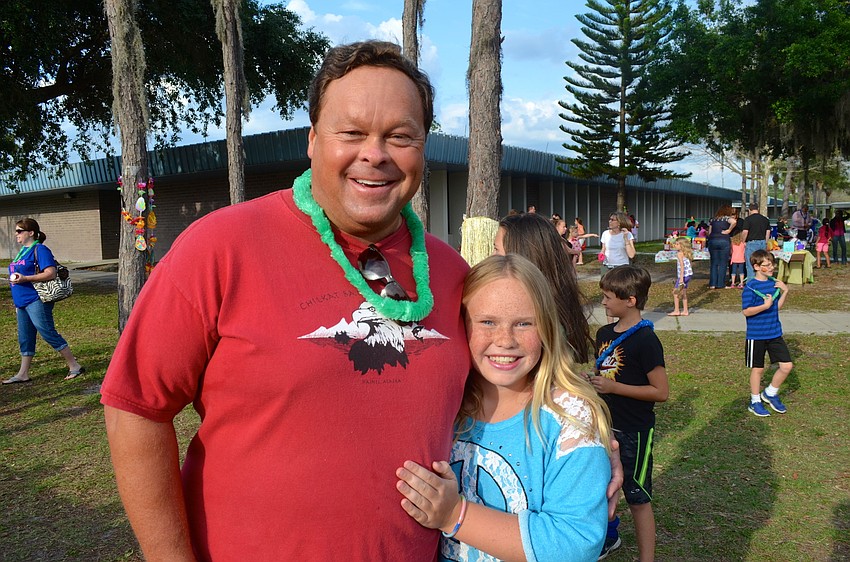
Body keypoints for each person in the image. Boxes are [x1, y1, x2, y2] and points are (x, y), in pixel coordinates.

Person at [99, 41, 475, 561]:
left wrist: (585, 445)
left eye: (400, 136)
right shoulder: (220, 247)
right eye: (352, 133)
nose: (375, 153)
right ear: (313, 140)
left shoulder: (453, 273)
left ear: (423, 147)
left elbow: (504, 394)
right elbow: (135, 409)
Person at [395, 254, 612, 562]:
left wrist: (455, 514)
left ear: (548, 328)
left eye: (524, 323)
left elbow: (575, 543)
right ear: (461, 325)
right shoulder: (444, 405)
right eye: (487, 322)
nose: (505, 340)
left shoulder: (570, 418)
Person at [590, 265, 668, 562]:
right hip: (604, 427)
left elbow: (660, 392)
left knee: (637, 499)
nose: (604, 303)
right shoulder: (604, 333)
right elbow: (606, 374)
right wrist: (594, 382)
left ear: (631, 300)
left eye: (609, 297)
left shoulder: (646, 340)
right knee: (603, 489)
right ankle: (609, 538)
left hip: (634, 430)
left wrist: (614, 388)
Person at [495, 213, 594, 364]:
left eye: (497, 249)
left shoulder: (547, 320)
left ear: (522, 255)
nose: (491, 256)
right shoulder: (555, 302)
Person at [3, 218, 84, 384]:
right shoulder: (21, 252)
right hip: (21, 302)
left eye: (19, 231)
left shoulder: (40, 249)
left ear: (30, 232)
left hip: (36, 299)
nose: (16, 234)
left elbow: (50, 273)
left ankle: (75, 366)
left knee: (47, 331)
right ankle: (23, 373)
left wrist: (26, 278)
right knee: (25, 337)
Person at [742, 250, 793, 417]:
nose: (771, 267)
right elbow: (746, 311)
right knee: (758, 369)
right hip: (756, 335)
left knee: (787, 366)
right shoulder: (750, 287)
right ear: (756, 267)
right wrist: (763, 306)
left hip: (774, 332)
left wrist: (784, 292)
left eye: (772, 264)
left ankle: (770, 393)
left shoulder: (773, 284)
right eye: (767, 265)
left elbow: (775, 307)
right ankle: (755, 400)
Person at [706, 204, 737, 289]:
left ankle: (712, 284)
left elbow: (709, 231)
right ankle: (720, 284)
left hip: (713, 240)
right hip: (723, 240)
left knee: (714, 263)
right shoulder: (727, 218)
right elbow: (734, 222)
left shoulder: (713, 219)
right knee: (723, 263)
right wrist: (729, 230)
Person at [741, 203, 771, 281]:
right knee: (762, 263)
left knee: (751, 264)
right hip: (762, 242)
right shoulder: (765, 219)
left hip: (752, 243)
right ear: (758, 209)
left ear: (749, 210)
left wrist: (743, 241)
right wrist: (766, 242)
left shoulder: (748, 219)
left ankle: (751, 283)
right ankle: (762, 280)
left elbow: (745, 232)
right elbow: (768, 232)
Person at [668, 237, 693, 316]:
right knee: (683, 292)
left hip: (683, 276)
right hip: (688, 275)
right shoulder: (686, 253)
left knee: (675, 292)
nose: (675, 245)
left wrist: (681, 279)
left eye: (677, 244)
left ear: (682, 245)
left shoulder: (679, 254)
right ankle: (685, 310)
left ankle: (676, 310)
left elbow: (682, 267)